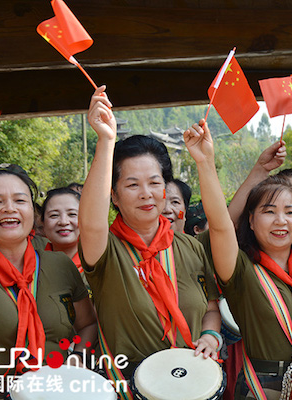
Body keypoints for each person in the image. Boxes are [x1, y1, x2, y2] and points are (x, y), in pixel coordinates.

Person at [183, 120, 292, 400]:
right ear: (251, 221)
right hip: (264, 386)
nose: (281, 221)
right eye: (269, 211)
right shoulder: (240, 267)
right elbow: (220, 225)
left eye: (290, 212)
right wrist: (205, 162)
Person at [80, 87, 221, 385]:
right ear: (114, 196)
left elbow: (210, 307)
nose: (146, 194)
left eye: (154, 183)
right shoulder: (106, 250)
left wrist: (211, 335)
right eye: (132, 185)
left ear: (165, 189)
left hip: (191, 384)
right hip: (128, 387)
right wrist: (106, 141)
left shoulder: (190, 248)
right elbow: (91, 224)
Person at [0, 164, 97, 396]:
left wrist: (78, 357)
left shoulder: (59, 265)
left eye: (20, 201)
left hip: (59, 392)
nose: (9, 209)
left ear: (33, 213)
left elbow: (87, 325)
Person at [41, 187, 82, 271]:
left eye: (72, 214)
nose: (64, 222)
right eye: (54, 215)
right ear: (43, 223)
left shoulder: (97, 263)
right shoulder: (34, 266)